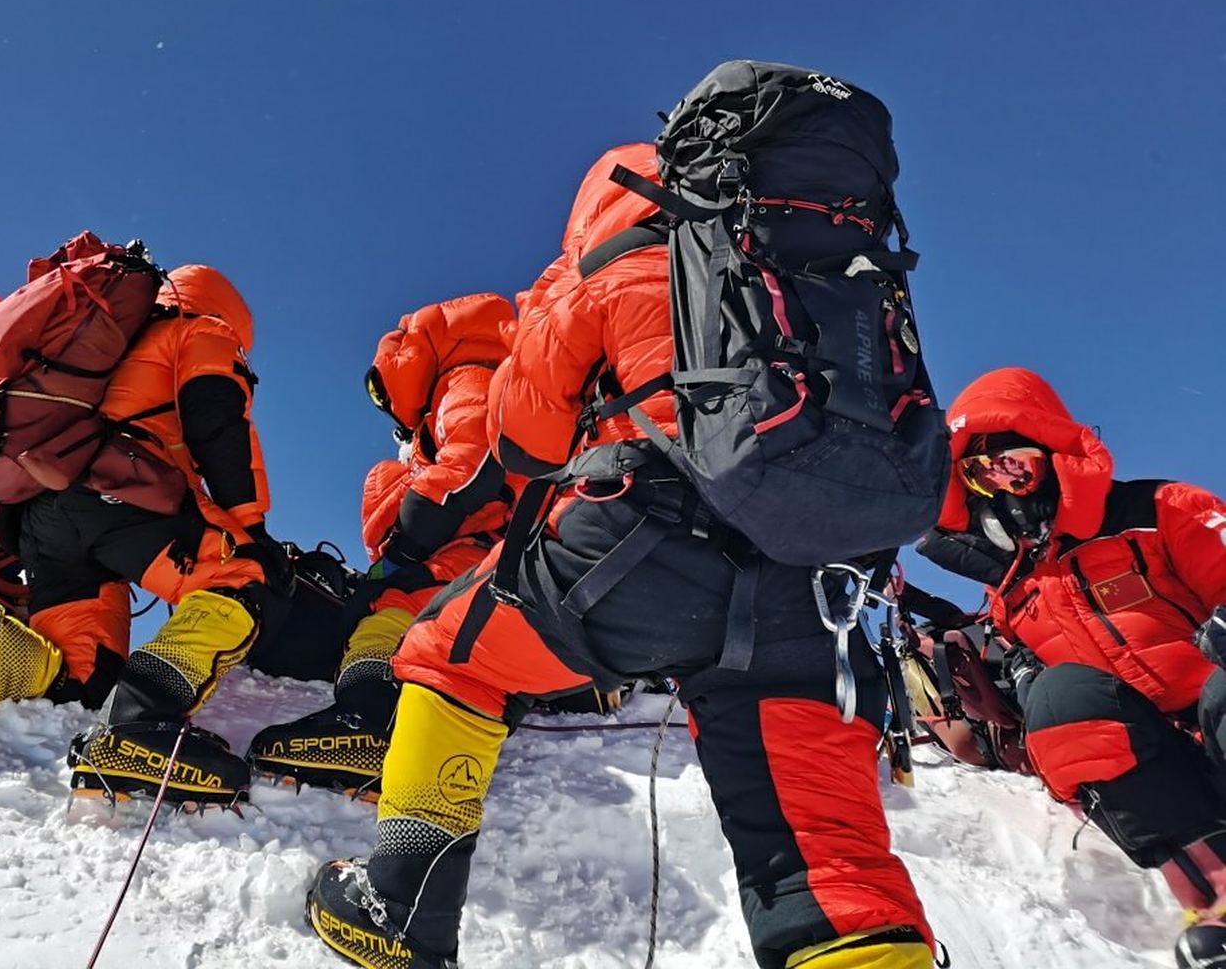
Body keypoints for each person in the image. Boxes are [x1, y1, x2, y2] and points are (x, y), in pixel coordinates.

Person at [305, 143, 936, 969]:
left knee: (446, 652)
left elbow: (523, 442)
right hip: (818, 587)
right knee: (818, 844)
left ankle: (400, 906)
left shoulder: (609, 262)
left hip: (645, 543)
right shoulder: (828, 280)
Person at [917, 367, 1226, 969]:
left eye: (1016, 463)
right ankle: (1215, 896)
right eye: (981, 473)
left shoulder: (1161, 510)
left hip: (1218, 718)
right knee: (1060, 700)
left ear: (1057, 456)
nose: (1003, 485)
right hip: (1162, 767)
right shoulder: (1013, 592)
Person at [15, 263, 290, 807]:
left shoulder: (102, 348)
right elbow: (218, 423)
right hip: (120, 490)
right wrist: (252, 528)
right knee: (241, 577)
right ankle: (140, 726)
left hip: (42, 512)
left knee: (79, 679)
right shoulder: (200, 330)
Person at [248, 294, 515, 797]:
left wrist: (404, 552)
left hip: (469, 558)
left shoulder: (467, 379)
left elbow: (473, 466)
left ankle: (363, 724)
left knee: (389, 615)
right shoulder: (483, 380)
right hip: (479, 553)